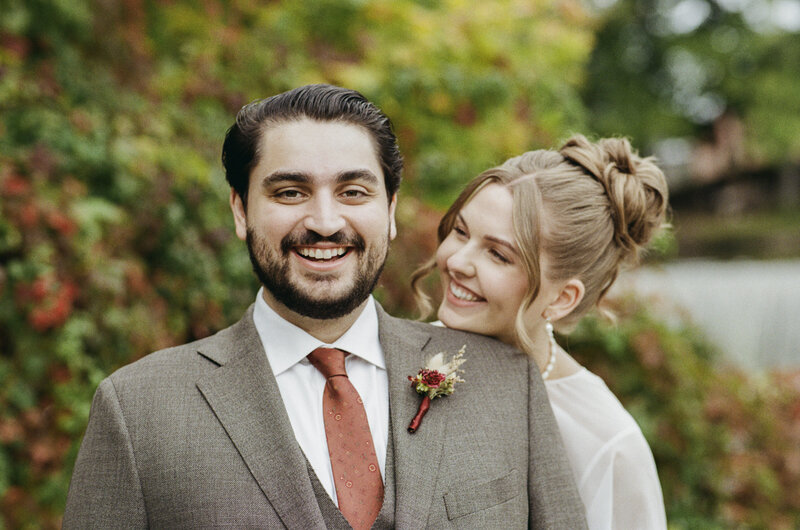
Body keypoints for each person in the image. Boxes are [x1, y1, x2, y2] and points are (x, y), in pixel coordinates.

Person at [63, 84, 587, 529]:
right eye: (290, 192)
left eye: (354, 191)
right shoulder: (137, 411)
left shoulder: (506, 381)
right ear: (241, 211)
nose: (325, 221)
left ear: (391, 210)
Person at [412, 135, 669, 529]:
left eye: (498, 254)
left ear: (563, 298)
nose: (458, 261)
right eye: (461, 232)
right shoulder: (397, 361)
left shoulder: (607, 443)